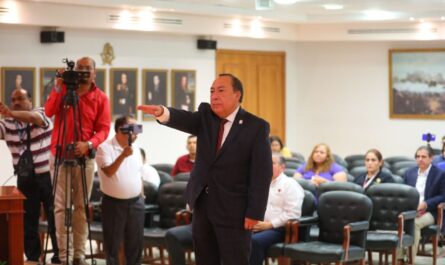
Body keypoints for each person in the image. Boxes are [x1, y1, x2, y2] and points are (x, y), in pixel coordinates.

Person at [138, 73, 272, 265]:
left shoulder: (256, 127)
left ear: (237, 95)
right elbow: (184, 119)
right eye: (212, 91)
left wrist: (254, 212)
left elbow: (262, 173)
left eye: (221, 90)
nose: (214, 95)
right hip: (204, 207)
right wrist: (163, 112)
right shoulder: (206, 116)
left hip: (235, 210)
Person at [45, 56, 111, 265]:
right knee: (60, 208)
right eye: (79, 69)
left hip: (84, 158)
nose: (82, 72)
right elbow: (48, 111)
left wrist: (89, 144)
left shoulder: (101, 97)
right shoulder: (63, 91)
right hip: (59, 157)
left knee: (81, 206)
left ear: (94, 73)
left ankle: (79, 255)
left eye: (87, 69)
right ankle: (64, 255)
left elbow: (104, 129)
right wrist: (57, 86)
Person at [0, 88, 60, 263]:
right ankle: (33, 257)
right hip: (25, 177)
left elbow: (33, 118)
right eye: (13, 99)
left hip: (48, 175)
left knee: (54, 217)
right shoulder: (7, 124)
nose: (16, 102)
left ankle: (58, 255)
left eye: (20, 98)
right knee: (28, 220)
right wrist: (9, 115)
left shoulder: (41, 112)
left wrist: (11, 113)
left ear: (30, 101)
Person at [95, 115, 145, 265]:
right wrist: (122, 155)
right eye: (131, 130)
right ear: (118, 130)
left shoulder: (136, 149)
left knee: (135, 244)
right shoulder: (104, 148)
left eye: (137, 129)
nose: (135, 134)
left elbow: (139, 173)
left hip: (136, 203)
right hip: (113, 204)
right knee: (113, 245)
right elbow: (109, 171)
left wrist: (142, 196)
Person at [249, 153, 304, 265]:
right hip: (258, 225)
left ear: (282, 167)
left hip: (279, 228)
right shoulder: (260, 183)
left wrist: (269, 224)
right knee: (233, 236)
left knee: (254, 241)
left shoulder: (290, 185)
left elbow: (293, 214)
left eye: (272, 163)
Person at [403, 146, 445, 263]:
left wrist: (426, 204)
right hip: (410, 209)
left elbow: (443, 196)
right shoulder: (409, 173)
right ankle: (400, 258)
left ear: (431, 158)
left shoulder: (440, 174)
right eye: (418, 156)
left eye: (423, 157)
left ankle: (410, 260)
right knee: (400, 220)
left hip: (430, 211)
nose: (420, 159)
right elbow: (403, 192)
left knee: (414, 223)